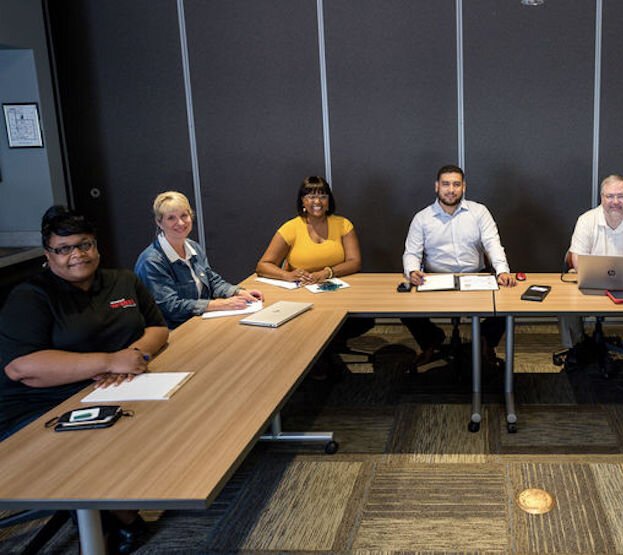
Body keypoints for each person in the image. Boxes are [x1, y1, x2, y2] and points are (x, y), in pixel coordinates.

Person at [0, 206, 169, 553]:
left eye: (84, 244)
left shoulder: (123, 280)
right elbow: (21, 368)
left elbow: (158, 327)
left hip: (109, 388)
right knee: (96, 448)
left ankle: (118, 513)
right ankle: (118, 523)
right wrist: (109, 360)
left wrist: (137, 357)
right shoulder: (31, 296)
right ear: (49, 254)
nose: (76, 255)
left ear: (96, 246)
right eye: (64, 249)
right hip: (39, 405)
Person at [402, 164, 517, 365]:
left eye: (456, 184)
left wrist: (503, 271)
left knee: (508, 303)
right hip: (435, 278)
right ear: (436, 186)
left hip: (476, 276)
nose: (451, 190)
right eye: (446, 184)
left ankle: (485, 340)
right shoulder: (422, 218)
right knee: (402, 307)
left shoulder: (479, 212)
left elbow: (493, 244)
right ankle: (431, 341)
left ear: (464, 187)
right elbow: (411, 253)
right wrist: (412, 270)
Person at [256, 176, 373, 355]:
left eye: (322, 196)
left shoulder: (343, 224)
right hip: (303, 296)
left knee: (362, 320)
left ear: (328, 201)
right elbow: (263, 265)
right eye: (310, 196)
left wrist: (326, 272)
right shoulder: (291, 228)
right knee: (310, 326)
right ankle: (322, 360)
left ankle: (324, 356)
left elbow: (355, 262)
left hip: (339, 294)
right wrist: (287, 275)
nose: (317, 201)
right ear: (302, 201)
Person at [561, 174, 623, 374]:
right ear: (602, 197)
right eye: (610, 196)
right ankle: (577, 345)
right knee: (563, 302)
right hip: (592, 282)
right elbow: (576, 260)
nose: (615, 202)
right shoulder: (587, 220)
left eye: (621, 196)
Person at [135, 191, 263, 328]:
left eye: (184, 215)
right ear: (159, 223)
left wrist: (237, 292)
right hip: (174, 331)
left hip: (198, 322)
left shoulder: (192, 246)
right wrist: (217, 304)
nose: (180, 222)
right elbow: (170, 307)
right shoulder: (151, 261)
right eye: (171, 218)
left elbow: (211, 280)